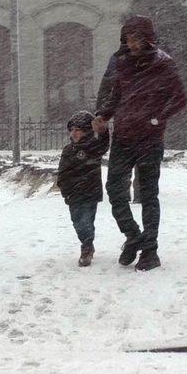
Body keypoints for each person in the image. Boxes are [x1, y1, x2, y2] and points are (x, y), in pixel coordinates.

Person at [95, 15, 187, 271]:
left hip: (149, 139)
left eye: (136, 39)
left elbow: (179, 98)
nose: (132, 44)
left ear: (148, 39)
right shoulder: (122, 64)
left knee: (148, 195)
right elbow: (116, 96)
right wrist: (103, 115)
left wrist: (158, 118)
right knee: (115, 190)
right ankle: (133, 236)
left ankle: (150, 250)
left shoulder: (163, 65)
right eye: (128, 39)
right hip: (123, 137)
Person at [56, 110, 110, 267]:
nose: (74, 133)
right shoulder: (68, 150)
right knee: (77, 221)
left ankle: (86, 247)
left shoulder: (93, 147)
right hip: (73, 193)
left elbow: (104, 143)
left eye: (78, 130)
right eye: (72, 130)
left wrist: (103, 131)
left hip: (90, 192)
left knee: (86, 221)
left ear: (86, 131)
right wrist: (64, 188)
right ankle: (86, 242)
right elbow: (63, 171)